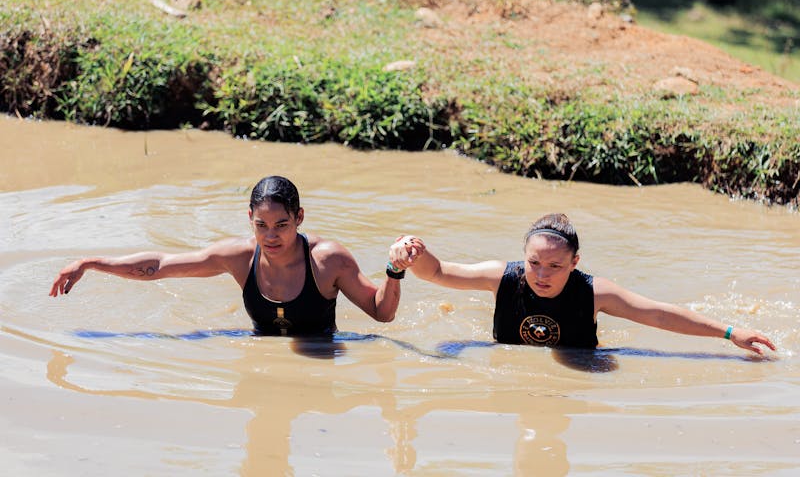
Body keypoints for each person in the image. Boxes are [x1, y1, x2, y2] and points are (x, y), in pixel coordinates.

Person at [50, 176, 403, 336]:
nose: (270, 235)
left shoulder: (328, 260)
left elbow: (381, 313)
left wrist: (394, 271)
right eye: (261, 224)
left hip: (322, 355)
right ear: (248, 219)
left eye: (281, 224)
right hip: (258, 349)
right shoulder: (238, 256)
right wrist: (89, 263)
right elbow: (159, 266)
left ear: (300, 218)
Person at [388, 213, 776, 355]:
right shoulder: (501, 277)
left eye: (555, 266)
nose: (541, 274)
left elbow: (658, 316)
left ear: (575, 263)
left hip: (581, 365)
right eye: (534, 262)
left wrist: (730, 333)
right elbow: (438, 273)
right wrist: (412, 255)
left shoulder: (594, 292)